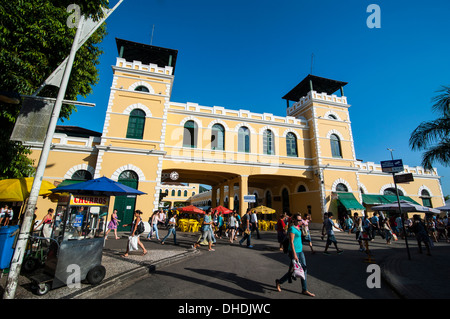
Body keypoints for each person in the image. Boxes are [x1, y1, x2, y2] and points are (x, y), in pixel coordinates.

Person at [275, 213, 315, 297]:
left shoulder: (298, 228)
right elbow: (291, 242)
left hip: (300, 251)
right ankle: (279, 282)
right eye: (299, 220)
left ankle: (304, 289)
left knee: (303, 269)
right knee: (294, 270)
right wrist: (294, 254)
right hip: (294, 252)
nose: (300, 221)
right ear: (294, 220)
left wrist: (303, 231)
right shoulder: (292, 229)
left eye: (301, 220)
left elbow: (301, 237)